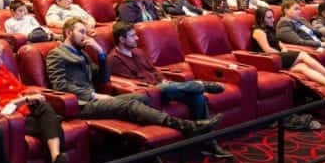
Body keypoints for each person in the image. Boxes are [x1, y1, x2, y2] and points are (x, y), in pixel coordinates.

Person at [46, 19, 222, 140]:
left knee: (144, 97)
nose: (86, 36)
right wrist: (93, 95)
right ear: (69, 32)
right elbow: (60, 85)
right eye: (81, 32)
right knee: (130, 105)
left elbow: (103, 78)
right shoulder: (56, 54)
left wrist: (100, 53)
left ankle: (149, 148)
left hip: (94, 99)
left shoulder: (83, 53)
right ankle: (186, 126)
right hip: (80, 105)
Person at [109, 22, 231, 158]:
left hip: (165, 88)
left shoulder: (139, 52)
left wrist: (162, 80)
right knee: (172, 88)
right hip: (148, 95)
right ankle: (198, 85)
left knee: (198, 97)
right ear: (121, 39)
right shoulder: (114, 59)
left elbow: (154, 70)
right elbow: (134, 85)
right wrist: (159, 85)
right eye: (132, 36)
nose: (137, 38)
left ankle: (208, 144)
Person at [249, 7, 325, 90]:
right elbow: (267, 50)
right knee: (302, 54)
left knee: (303, 67)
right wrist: (282, 53)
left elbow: (279, 42)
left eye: (272, 17)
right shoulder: (258, 31)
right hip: (269, 59)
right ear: (261, 19)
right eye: (269, 18)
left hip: (278, 57)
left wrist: (283, 48)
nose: (273, 20)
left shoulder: (270, 29)